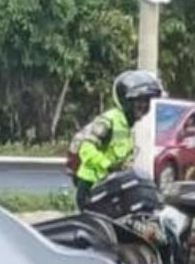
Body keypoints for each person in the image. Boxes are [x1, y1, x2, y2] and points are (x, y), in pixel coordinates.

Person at [69, 69, 163, 209]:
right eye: (139, 101)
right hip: (91, 188)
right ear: (126, 101)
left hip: (109, 189)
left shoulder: (127, 127)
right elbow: (86, 148)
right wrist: (108, 165)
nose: (144, 106)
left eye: (147, 102)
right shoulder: (109, 121)